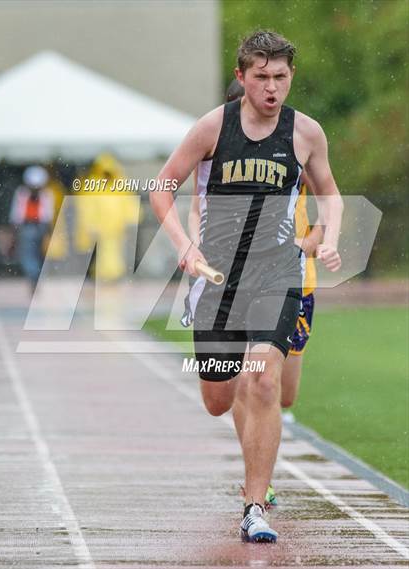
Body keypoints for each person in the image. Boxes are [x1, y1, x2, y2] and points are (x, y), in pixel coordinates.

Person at [150, 30, 343, 543]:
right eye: (261, 77)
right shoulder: (214, 128)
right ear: (242, 77)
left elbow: (330, 196)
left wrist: (327, 238)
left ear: (290, 76)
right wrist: (184, 245)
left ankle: (255, 504)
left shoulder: (306, 133)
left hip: (279, 273)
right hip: (219, 279)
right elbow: (163, 188)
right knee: (218, 398)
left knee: (266, 382)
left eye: (280, 77)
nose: (271, 88)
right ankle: (246, 422)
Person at [181, 80, 324, 510]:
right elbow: (194, 206)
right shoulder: (215, 152)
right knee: (250, 378)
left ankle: (258, 472)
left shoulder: (293, 145)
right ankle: (256, 488)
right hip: (227, 279)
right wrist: (194, 249)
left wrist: (315, 238)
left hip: (292, 276)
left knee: (281, 394)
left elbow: (328, 201)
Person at [9, 166, 54, 292]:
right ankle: (35, 276)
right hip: (27, 227)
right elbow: (17, 214)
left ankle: (35, 276)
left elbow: (47, 214)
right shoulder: (22, 193)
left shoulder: (45, 194)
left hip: (38, 226)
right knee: (29, 254)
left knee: (35, 254)